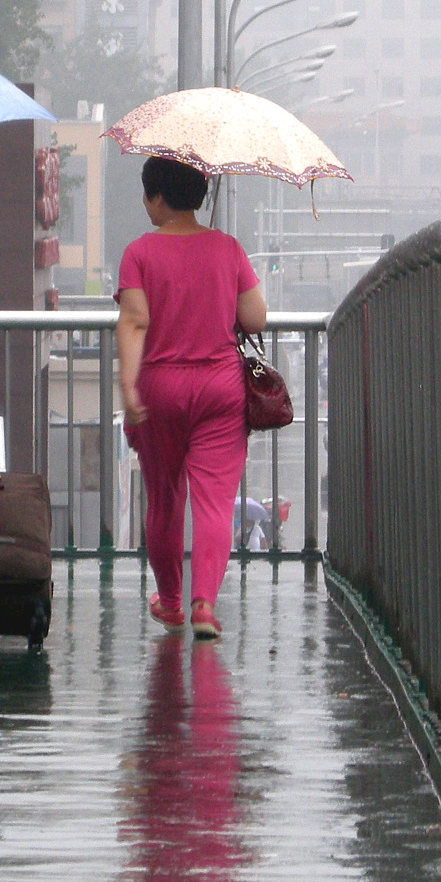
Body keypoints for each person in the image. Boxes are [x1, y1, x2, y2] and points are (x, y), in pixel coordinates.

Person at [115, 156, 267, 639]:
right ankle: (205, 605)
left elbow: (135, 321)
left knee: (164, 499)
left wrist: (128, 384)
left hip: (160, 387)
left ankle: (173, 602)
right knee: (214, 504)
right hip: (220, 388)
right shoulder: (229, 248)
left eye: (146, 194)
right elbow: (256, 318)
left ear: (158, 198)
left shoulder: (138, 253)